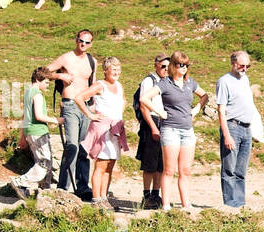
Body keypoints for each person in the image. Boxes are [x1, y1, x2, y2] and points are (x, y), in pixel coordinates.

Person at [46, 30, 98, 200]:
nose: (83, 44)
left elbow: (93, 85)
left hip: (86, 106)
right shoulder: (66, 58)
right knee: (72, 145)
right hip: (70, 105)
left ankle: (82, 186)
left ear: (91, 44)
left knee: (83, 147)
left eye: (87, 42)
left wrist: (94, 108)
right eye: (81, 40)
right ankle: (63, 187)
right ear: (76, 40)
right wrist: (59, 75)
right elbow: (43, 72)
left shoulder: (92, 61)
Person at [157, 51, 208, 210]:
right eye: (181, 65)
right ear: (173, 65)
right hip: (170, 129)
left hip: (187, 130)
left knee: (185, 170)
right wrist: (160, 112)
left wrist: (196, 109)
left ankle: (186, 205)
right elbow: (144, 98)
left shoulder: (190, 83)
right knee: (169, 170)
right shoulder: (165, 83)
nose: (184, 68)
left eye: (186, 65)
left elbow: (205, 96)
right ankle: (166, 205)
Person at [76, 57, 128, 209]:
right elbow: (79, 98)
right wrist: (91, 115)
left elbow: (123, 101)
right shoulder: (100, 85)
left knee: (110, 165)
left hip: (115, 129)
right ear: (106, 71)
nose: (116, 72)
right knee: (101, 164)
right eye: (113, 69)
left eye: (118, 69)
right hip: (102, 129)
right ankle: (96, 199)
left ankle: (104, 198)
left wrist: (118, 117)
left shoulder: (119, 85)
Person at [217, 50, 262, 208]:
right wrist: (226, 135)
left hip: (246, 128)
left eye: (247, 66)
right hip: (232, 126)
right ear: (233, 63)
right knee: (229, 168)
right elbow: (221, 110)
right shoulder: (224, 81)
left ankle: (240, 204)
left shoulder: (245, 79)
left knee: (241, 170)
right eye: (242, 65)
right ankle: (230, 204)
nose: (245, 69)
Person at [10, 68, 59, 199]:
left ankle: (44, 191)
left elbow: (24, 116)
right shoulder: (37, 94)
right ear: (38, 79)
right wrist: (56, 120)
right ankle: (21, 182)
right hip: (39, 132)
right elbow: (39, 115)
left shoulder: (28, 93)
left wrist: (22, 136)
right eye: (47, 82)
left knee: (45, 162)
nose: (48, 86)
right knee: (44, 162)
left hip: (30, 132)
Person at [135, 53, 170, 209]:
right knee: (149, 162)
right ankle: (146, 195)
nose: (166, 69)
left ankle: (156, 194)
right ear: (156, 65)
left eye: (169, 66)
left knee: (161, 163)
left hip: (165, 121)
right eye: (163, 66)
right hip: (152, 121)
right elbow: (144, 106)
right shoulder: (149, 81)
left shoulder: (168, 81)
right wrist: (153, 127)